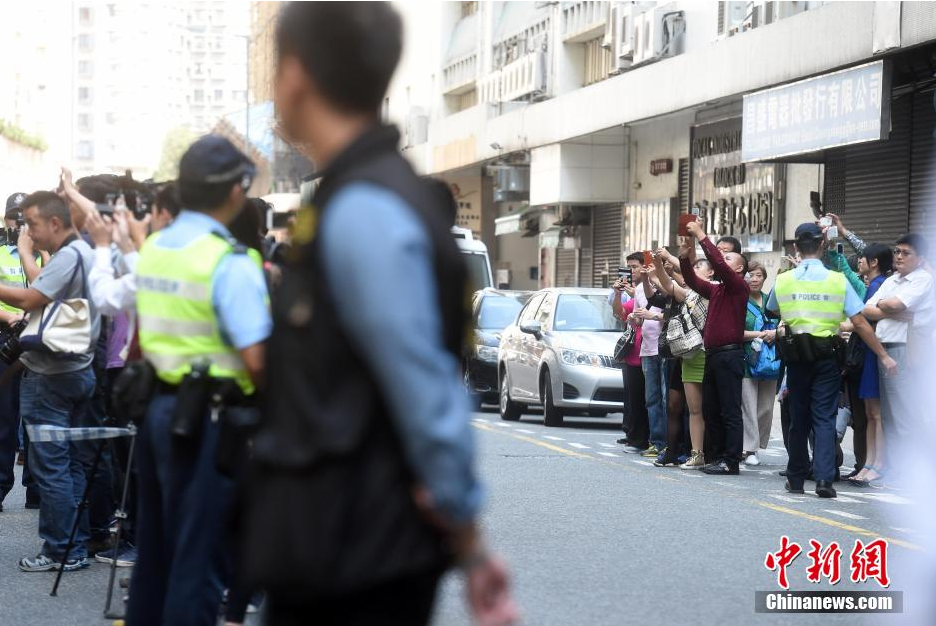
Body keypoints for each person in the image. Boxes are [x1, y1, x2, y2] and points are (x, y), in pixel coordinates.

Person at [241, 4, 517, 626]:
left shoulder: (365, 209)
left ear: (295, 74)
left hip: (353, 550)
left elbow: (424, 391)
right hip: (344, 539)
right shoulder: (357, 194)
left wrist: (472, 548)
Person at [125, 135, 271, 626]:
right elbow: (257, 360)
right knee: (199, 561)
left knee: (156, 557)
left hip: (158, 414)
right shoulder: (225, 260)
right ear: (236, 191)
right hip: (208, 423)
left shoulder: (156, 248)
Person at [0, 191, 102, 571]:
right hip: (78, 370)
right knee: (70, 463)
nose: (27, 230)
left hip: (51, 376)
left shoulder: (71, 256)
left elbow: (30, 298)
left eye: (33, 224)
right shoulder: (82, 255)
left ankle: (62, 550)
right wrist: (28, 252)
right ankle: (75, 541)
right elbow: (43, 287)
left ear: (55, 223)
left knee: (51, 467)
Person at [768, 223, 896, 499]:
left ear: (795, 248)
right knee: (824, 417)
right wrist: (883, 354)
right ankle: (825, 480)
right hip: (827, 356)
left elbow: (773, 308)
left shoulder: (784, 280)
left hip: (796, 356)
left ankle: (796, 478)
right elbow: (860, 322)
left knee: (798, 418)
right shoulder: (837, 280)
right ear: (823, 245)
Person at [863, 233, 936, 484]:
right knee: (890, 415)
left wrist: (885, 307)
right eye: (897, 252)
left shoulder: (923, 279)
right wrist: (888, 307)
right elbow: (867, 310)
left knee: (905, 413)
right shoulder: (893, 279)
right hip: (885, 347)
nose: (899, 257)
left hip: (905, 348)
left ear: (921, 258)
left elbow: (895, 305)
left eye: (906, 253)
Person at [679, 219, 749, 476]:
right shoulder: (718, 290)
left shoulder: (738, 286)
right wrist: (686, 258)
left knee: (730, 410)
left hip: (730, 354)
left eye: (729, 259)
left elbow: (717, 263)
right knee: (711, 408)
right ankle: (718, 455)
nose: (723, 260)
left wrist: (701, 235)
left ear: (739, 269)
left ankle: (731, 460)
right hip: (714, 354)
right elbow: (692, 282)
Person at [0, 192, 43, 513]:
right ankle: (1, 485)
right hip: (5, 335)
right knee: (5, 415)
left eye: (24, 219)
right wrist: (10, 316)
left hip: (38, 337)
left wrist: (38, 251)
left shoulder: (44, 254)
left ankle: (36, 489)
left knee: (37, 415)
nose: (18, 225)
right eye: (14, 218)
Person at [651, 249, 712, 469]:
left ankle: (715, 452)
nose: (693, 272)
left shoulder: (717, 290)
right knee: (692, 408)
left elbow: (678, 281)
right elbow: (668, 286)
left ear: (712, 273)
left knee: (710, 409)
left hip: (711, 355)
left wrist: (671, 257)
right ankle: (696, 453)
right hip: (689, 355)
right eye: (693, 268)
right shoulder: (691, 294)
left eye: (698, 268)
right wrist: (658, 264)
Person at [846, 243, 892, 486]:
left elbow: (862, 317)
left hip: (874, 351)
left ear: (874, 262)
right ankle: (869, 463)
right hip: (869, 350)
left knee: (876, 413)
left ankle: (878, 463)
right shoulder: (875, 284)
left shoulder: (879, 284)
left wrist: (847, 325)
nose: (859, 262)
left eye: (863, 258)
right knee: (870, 413)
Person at [740, 261, 780, 466]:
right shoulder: (739, 301)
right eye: (750, 275)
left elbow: (783, 324)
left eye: (758, 275)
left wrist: (776, 333)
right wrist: (761, 334)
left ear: (764, 278)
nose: (754, 279)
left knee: (765, 407)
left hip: (770, 360)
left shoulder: (771, 301)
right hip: (747, 359)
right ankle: (750, 448)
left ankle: (755, 444)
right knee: (748, 405)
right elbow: (735, 332)